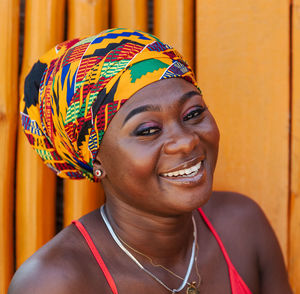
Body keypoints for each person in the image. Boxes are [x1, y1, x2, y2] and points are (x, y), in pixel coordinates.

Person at [8, 28, 292, 294]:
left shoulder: (241, 225)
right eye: (147, 130)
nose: (186, 141)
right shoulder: (54, 282)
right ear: (95, 159)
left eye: (193, 113)